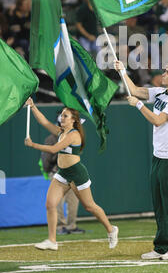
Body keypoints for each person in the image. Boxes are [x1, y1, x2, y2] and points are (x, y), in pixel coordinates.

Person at [114, 60, 168, 260]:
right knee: (159, 204)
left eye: (167, 72)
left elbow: (158, 120)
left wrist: (138, 105)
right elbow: (136, 90)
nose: (163, 74)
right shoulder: (160, 93)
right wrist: (122, 71)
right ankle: (162, 246)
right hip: (158, 157)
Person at [24, 98, 119, 251]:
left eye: (65, 116)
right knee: (50, 204)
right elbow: (45, 122)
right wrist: (33, 106)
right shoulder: (61, 132)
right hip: (62, 173)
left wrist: (32, 144)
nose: (61, 118)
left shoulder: (74, 135)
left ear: (74, 120)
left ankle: (111, 229)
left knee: (89, 206)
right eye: (61, 115)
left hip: (76, 173)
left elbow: (54, 149)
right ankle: (52, 240)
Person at [41, 128, 85, 235]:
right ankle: (60, 226)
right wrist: (50, 170)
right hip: (58, 173)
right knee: (57, 202)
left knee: (74, 200)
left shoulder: (73, 135)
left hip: (72, 173)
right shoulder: (51, 138)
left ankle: (71, 226)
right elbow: (46, 157)